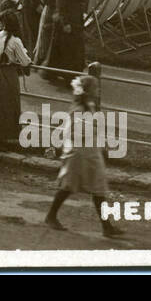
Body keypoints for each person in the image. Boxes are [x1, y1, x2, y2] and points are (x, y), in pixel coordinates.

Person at [44, 75, 124, 238]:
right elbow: (72, 133)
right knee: (68, 186)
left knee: (98, 188)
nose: (98, 90)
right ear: (87, 91)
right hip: (79, 153)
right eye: (95, 88)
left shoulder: (90, 106)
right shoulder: (79, 110)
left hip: (91, 152)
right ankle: (51, 216)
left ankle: (106, 226)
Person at [0, 3, 30, 148]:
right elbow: (25, 61)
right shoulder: (15, 41)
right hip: (8, 74)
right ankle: (5, 135)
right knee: (8, 104)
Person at [41, 0, 87, 83]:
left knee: (72, 47)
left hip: (77, 17)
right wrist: (65, 22)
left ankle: (71, 73)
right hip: (68, 19)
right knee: (68, 48)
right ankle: (69, 76)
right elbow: (61, 5)